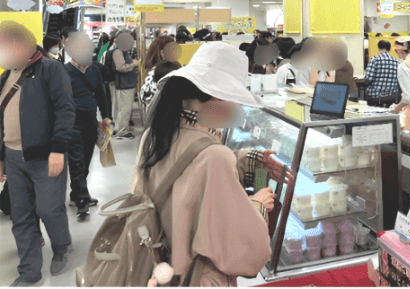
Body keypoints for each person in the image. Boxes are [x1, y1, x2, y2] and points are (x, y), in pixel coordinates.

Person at [132, 42, 285, 285]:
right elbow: (247, 255)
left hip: (159, 267)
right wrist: (258, 206)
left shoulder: (155, 135)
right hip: (198, 276)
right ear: (217, 96)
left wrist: (252, 161)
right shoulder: (214, 155)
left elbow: (187, 171)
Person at [0, 22, 75, 286]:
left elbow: (65, 110)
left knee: (49, 208)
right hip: (12, 155)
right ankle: (29, 271)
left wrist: (58, 150)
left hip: (45, 155)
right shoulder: (6, 75)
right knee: (20, 214)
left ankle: (61, 247)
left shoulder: (51, 69)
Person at [64, 50, 112, 218]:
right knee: (76, 160)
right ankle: (82, 201)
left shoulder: (94, 70)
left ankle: (75, 193)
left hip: (90, 121)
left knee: (85, 159)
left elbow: (101, 93)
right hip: (72, 122)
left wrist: (106, 115)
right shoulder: (64, 71)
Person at [112, 31, 139, 139]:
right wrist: (133, 64)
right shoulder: (118, 51)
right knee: (124, 108)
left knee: (123, 108)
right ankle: (121, 131)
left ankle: (122, 128)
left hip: (126, 83)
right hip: (124, 84)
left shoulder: (122, 50)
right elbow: (120, 67)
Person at [364, 40, 400, 106]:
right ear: (389, 49)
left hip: (375, 96)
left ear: (378, 48)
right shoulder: (397, 61)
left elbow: (368, 78)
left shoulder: (374, 59)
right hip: (391, 97)